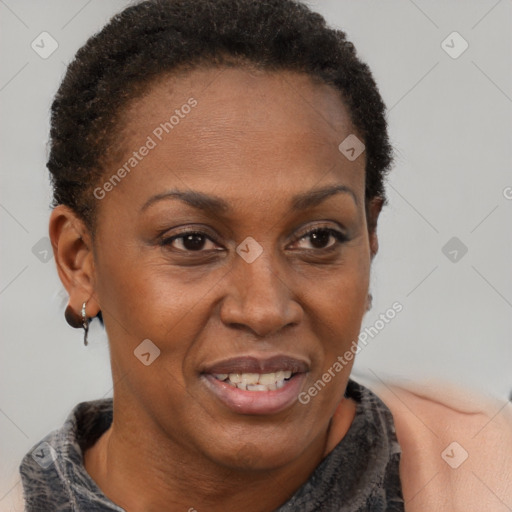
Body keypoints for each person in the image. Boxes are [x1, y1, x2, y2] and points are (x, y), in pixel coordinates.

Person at [15, 0, 512, 511]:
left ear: (370, 237)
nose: (264, 308)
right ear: (80, 262)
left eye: (318, 238)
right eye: (192, 241)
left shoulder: (486, 480)